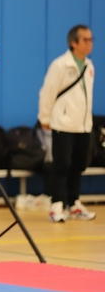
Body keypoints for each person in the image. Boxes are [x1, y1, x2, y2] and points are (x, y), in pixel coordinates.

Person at [38, 24, 96, 222]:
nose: (90, 43)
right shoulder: (60, 65)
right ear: (74, 43)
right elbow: (48, 92)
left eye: (91, 39)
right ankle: (56, 205)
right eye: (85, 40)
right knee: (62, 165)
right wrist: (44, 117)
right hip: (63, 124)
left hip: (83, 125)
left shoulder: (89, 66)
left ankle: (73, 203)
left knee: (78, 165)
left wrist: (88, 121)